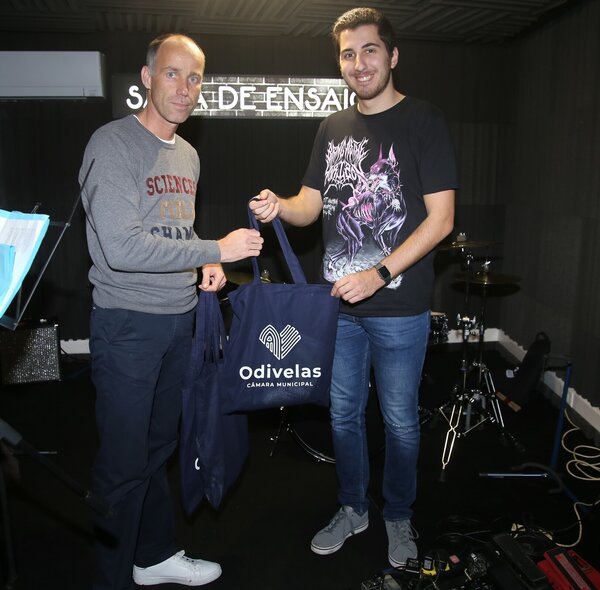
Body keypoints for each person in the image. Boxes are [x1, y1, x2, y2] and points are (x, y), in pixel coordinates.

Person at [250, 7, 457, 568]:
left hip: (399, 307)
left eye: (369, 50)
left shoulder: (425, 121)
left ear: (392, 55)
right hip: (338, 308)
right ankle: (353, 507)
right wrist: (279, 206)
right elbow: (310, 204)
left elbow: (441, 219)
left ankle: (398, 515)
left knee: (400, 421)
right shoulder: (332, 127)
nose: (359, 63)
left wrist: (380, 273)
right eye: (348, 54)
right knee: (343, 415)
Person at [79, 33, 263, 589]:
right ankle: (110, 578)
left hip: (181, 320)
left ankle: (152, 555)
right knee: (121, 463)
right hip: (127, 325)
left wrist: (202, 263)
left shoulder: (188, 155)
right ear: (147, 77)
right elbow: (122, 247)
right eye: (172, 73)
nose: (184, 88)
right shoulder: (112, 144)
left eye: (195, 77)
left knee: (158, 451)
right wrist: (217, 249)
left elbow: (172, 230)